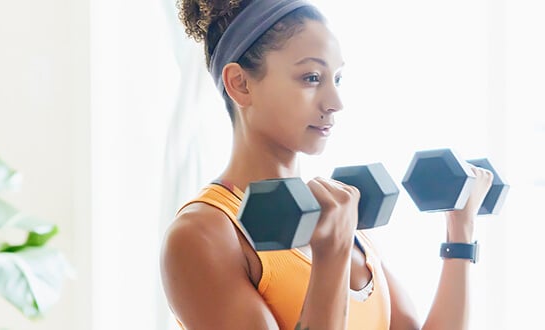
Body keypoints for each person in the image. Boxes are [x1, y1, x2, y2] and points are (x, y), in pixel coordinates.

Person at [160, 0, 494, 329]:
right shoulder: (201, 235)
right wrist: (332, 256)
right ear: (240, 83)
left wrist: (460, 231)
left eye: (337, 79)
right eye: (311, 77)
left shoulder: (338, 215)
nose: (335, 103)